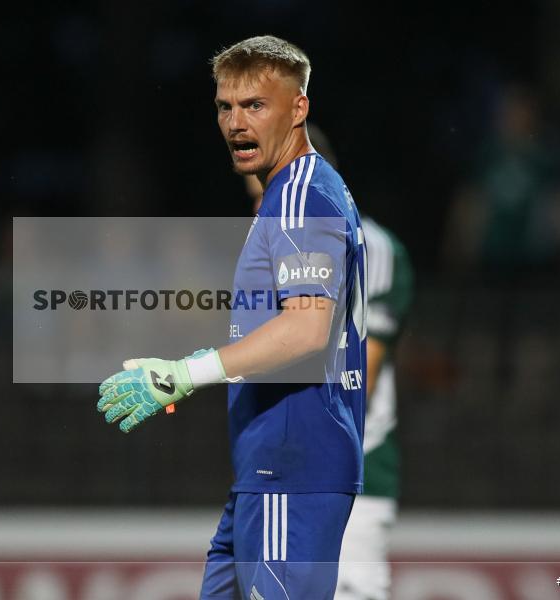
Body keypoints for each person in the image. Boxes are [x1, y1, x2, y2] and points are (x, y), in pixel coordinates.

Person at [97, 36, 367, 599]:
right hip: (267, 471)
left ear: (299, 109)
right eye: (226, 106)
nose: (236, 123)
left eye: (255, 106)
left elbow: (307, 327)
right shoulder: (292, 195)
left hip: (291, 473)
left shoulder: (300, 197)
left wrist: (185, 373)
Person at [246, 127, 415, 600]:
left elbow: (358, 378)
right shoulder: (272, 248)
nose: (260, 206)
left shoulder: (371, 247)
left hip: (344, 483)